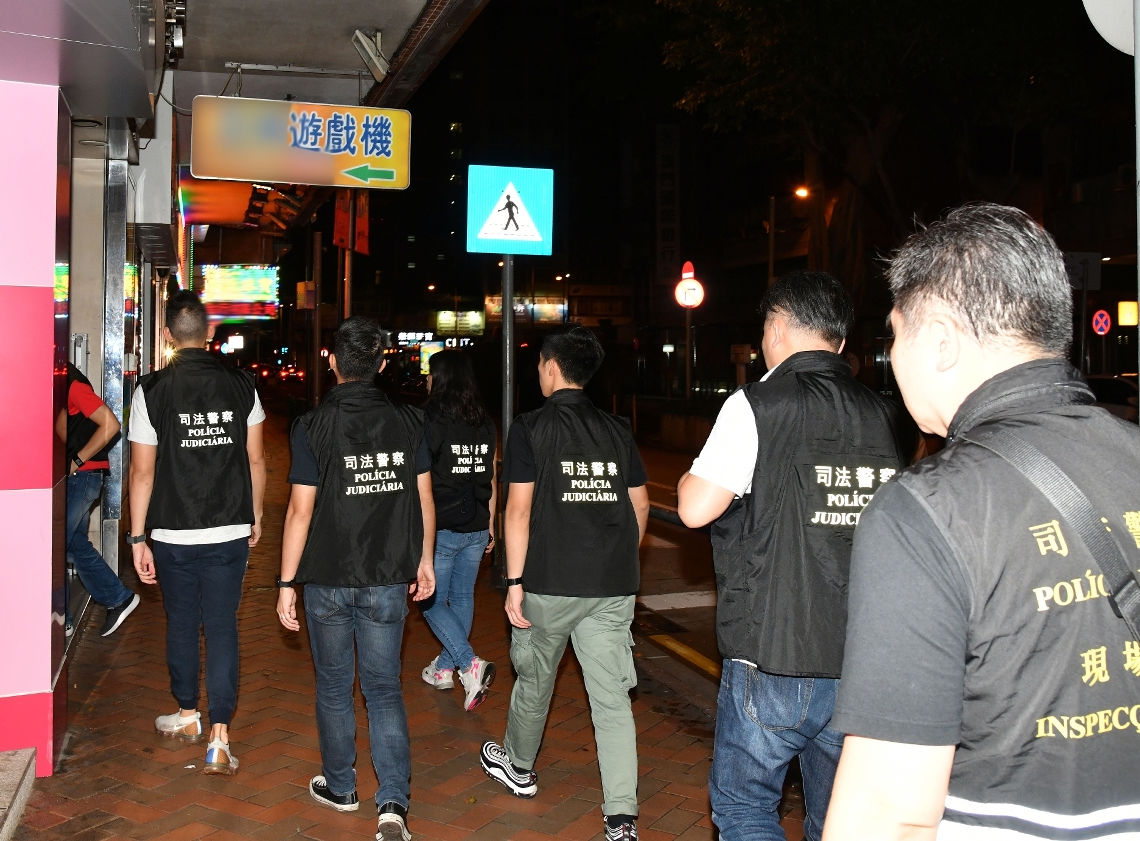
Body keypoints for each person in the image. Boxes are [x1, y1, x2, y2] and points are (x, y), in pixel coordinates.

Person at [824, 204, 1140, 840]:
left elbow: (890, 811)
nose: (891, 357)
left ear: (941, 341)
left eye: (895, 335)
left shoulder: (925, 510)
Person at [675, 271, 906, 841]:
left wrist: (688, 478)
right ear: (841, 342)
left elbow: (695, 509)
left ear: (775, 329)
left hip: (774, 648)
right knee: (838, 820)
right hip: (860, 656)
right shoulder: (883, 414)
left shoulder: (757, 403)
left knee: (744, 808)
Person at [478, 326, 651, 841]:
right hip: (610, 586)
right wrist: (619, 557)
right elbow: (639, 505)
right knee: (612, 699)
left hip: (549, 581)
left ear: (552, 368)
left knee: (536, 678)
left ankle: (519, 767)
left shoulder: (530, 427)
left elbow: (517, 510)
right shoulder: (617, 429)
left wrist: (513, 581)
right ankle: (621, 817)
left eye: (539, 365)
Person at [276, 317, 435, 841]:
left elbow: (300, 511)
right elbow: (423, 499)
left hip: (326, 575)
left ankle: (342, 786)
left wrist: (286, 583)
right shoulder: (410, 421)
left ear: (332, 362)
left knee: (334, 685)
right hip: (388, 574)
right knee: (384, 687)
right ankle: (392, 804)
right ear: (382, 364)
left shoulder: (311, 426)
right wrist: (425, 560)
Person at [126, 291, 266, 776]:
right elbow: (255, 459)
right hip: (229, 527)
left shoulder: (150, 390)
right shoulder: (242, 385)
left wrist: (137, 537)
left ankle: (188, 714)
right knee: (222, 625)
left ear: (168, 335)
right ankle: (220, 738)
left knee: (182, 622)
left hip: (172, 530)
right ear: (208, 334)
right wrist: (256, 516)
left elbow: (142, 472)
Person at [418, 349, 499, 711]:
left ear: (440, 378)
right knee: (463, 598)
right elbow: (490, 476)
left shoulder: (429, 419)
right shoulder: (484, 421)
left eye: (430, 373)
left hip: (442, 528)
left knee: (429, 600)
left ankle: (468, 664)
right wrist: (490, 523)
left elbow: (420, 479)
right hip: (477, 525)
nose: (427, 379)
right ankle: (442, 669)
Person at [57, 363, 138, 637]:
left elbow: (111, 425)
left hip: (82, 477)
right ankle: (118, 598)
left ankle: (62, 620)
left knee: (55, 546)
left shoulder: (74, 385)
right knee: (74, 544)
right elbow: (65, 432)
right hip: (81, 478)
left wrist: (76, 461)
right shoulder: (64, 388)